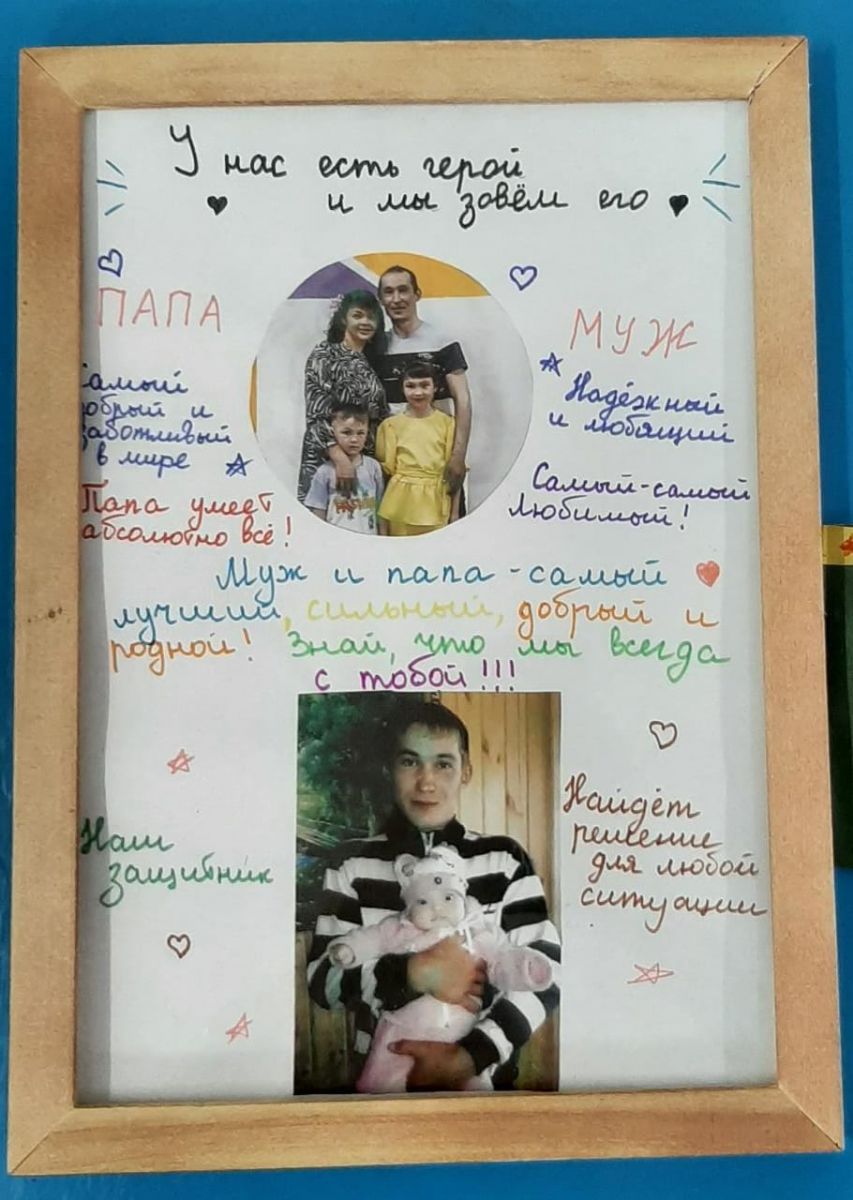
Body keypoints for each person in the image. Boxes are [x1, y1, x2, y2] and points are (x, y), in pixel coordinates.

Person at [306, 698, 560, 1092]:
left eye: (443, 764)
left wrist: (470, 1056)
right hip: (382, 1083)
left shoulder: (505, 859)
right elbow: (322, 981)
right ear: (389, 769)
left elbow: (547, 971)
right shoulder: (350, 864)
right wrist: (412, 974)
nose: (426, 781)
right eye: (410, 761)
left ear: (465, 771)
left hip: (485, 1086)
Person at [375, 265, 472, 498]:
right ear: (381, 300)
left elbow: (463, 400)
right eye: (388, 292)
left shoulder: (442, 341)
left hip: (435, 461)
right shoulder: (376, 347)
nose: (396, 299)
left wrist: (458, 456)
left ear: (417, 294)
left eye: (403, 290)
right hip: (393, 466)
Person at [297, 290, 388, 503]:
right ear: (343, 319)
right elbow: (316, 414)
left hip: (365, 462)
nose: (365, 322)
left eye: (371, 317)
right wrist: (340, 459)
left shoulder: (372, 361)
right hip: (328, 461)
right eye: (358, 315)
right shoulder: (325, 353)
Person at [375, 362, 459, 537]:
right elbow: (384, 472)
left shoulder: (448, 424)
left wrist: (454, 513)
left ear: (435, 387)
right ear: (402, 389)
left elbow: (456, 473)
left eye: (424, 385)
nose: (418, 392)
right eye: (411, 386)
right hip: (399, 500)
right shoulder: (390, 425)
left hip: (434, 500)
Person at [304, 401, 384, 534]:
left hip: (369, 539)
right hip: (336, 539)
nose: (354, 439)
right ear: (333, 432)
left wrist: (383, 537)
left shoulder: (373, 467)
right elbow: (318, 511)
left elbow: (380, 507)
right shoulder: (324, 472)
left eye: (360, 433)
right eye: (346, 433)